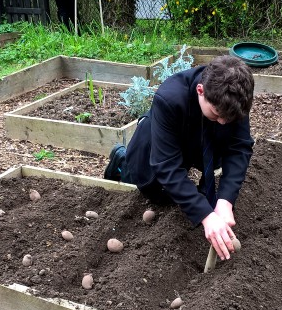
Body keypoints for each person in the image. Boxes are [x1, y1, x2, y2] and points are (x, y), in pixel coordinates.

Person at [104, 55, 255, 261]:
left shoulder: (235, 98)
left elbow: (239, 147)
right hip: (162, 139)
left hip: (197, 139)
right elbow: (166, 165)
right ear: (200, 91)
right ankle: (121, 161)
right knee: (150, 186)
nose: (223, 122)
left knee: (215, 146)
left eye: (228, 119)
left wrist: (225, 200)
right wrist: (205, 215)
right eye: (216, 114)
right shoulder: (169, 98)